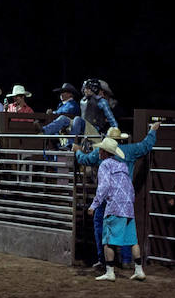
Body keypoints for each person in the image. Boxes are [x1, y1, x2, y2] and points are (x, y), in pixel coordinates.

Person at [74, 123, 161, 268]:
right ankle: (126, 260)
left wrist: (78, 151)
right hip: (126, 197)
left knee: (101, 225)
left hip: (108, 199)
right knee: (127, 229)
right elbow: (146, 145)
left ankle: (104, 261)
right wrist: (152, 130)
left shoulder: (100, 154)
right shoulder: (130, 150)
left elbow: (85, 160)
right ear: (120, 140)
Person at [88, 137, 147, 282]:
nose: (99, 151)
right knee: (133, 240)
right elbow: (130, 187)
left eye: (100, 149)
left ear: (103, 151)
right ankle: (139, 270)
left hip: (114, 206)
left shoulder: (104, 165)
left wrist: (94, 205)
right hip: (127, 206)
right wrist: (129, 203)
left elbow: (104, 187)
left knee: (108, 240)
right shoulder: (122, 165)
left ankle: (109, 272)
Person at [38, 82, 82, 149]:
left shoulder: (73, 104)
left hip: (70, 126)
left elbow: (66, 112)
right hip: (60, 130)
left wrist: (53, 113)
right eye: (61, 92)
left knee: (62, 118)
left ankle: (44, 131)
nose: (61, 94)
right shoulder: (61, 105)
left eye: (64, 92)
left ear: (70, 94)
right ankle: (45, 131)